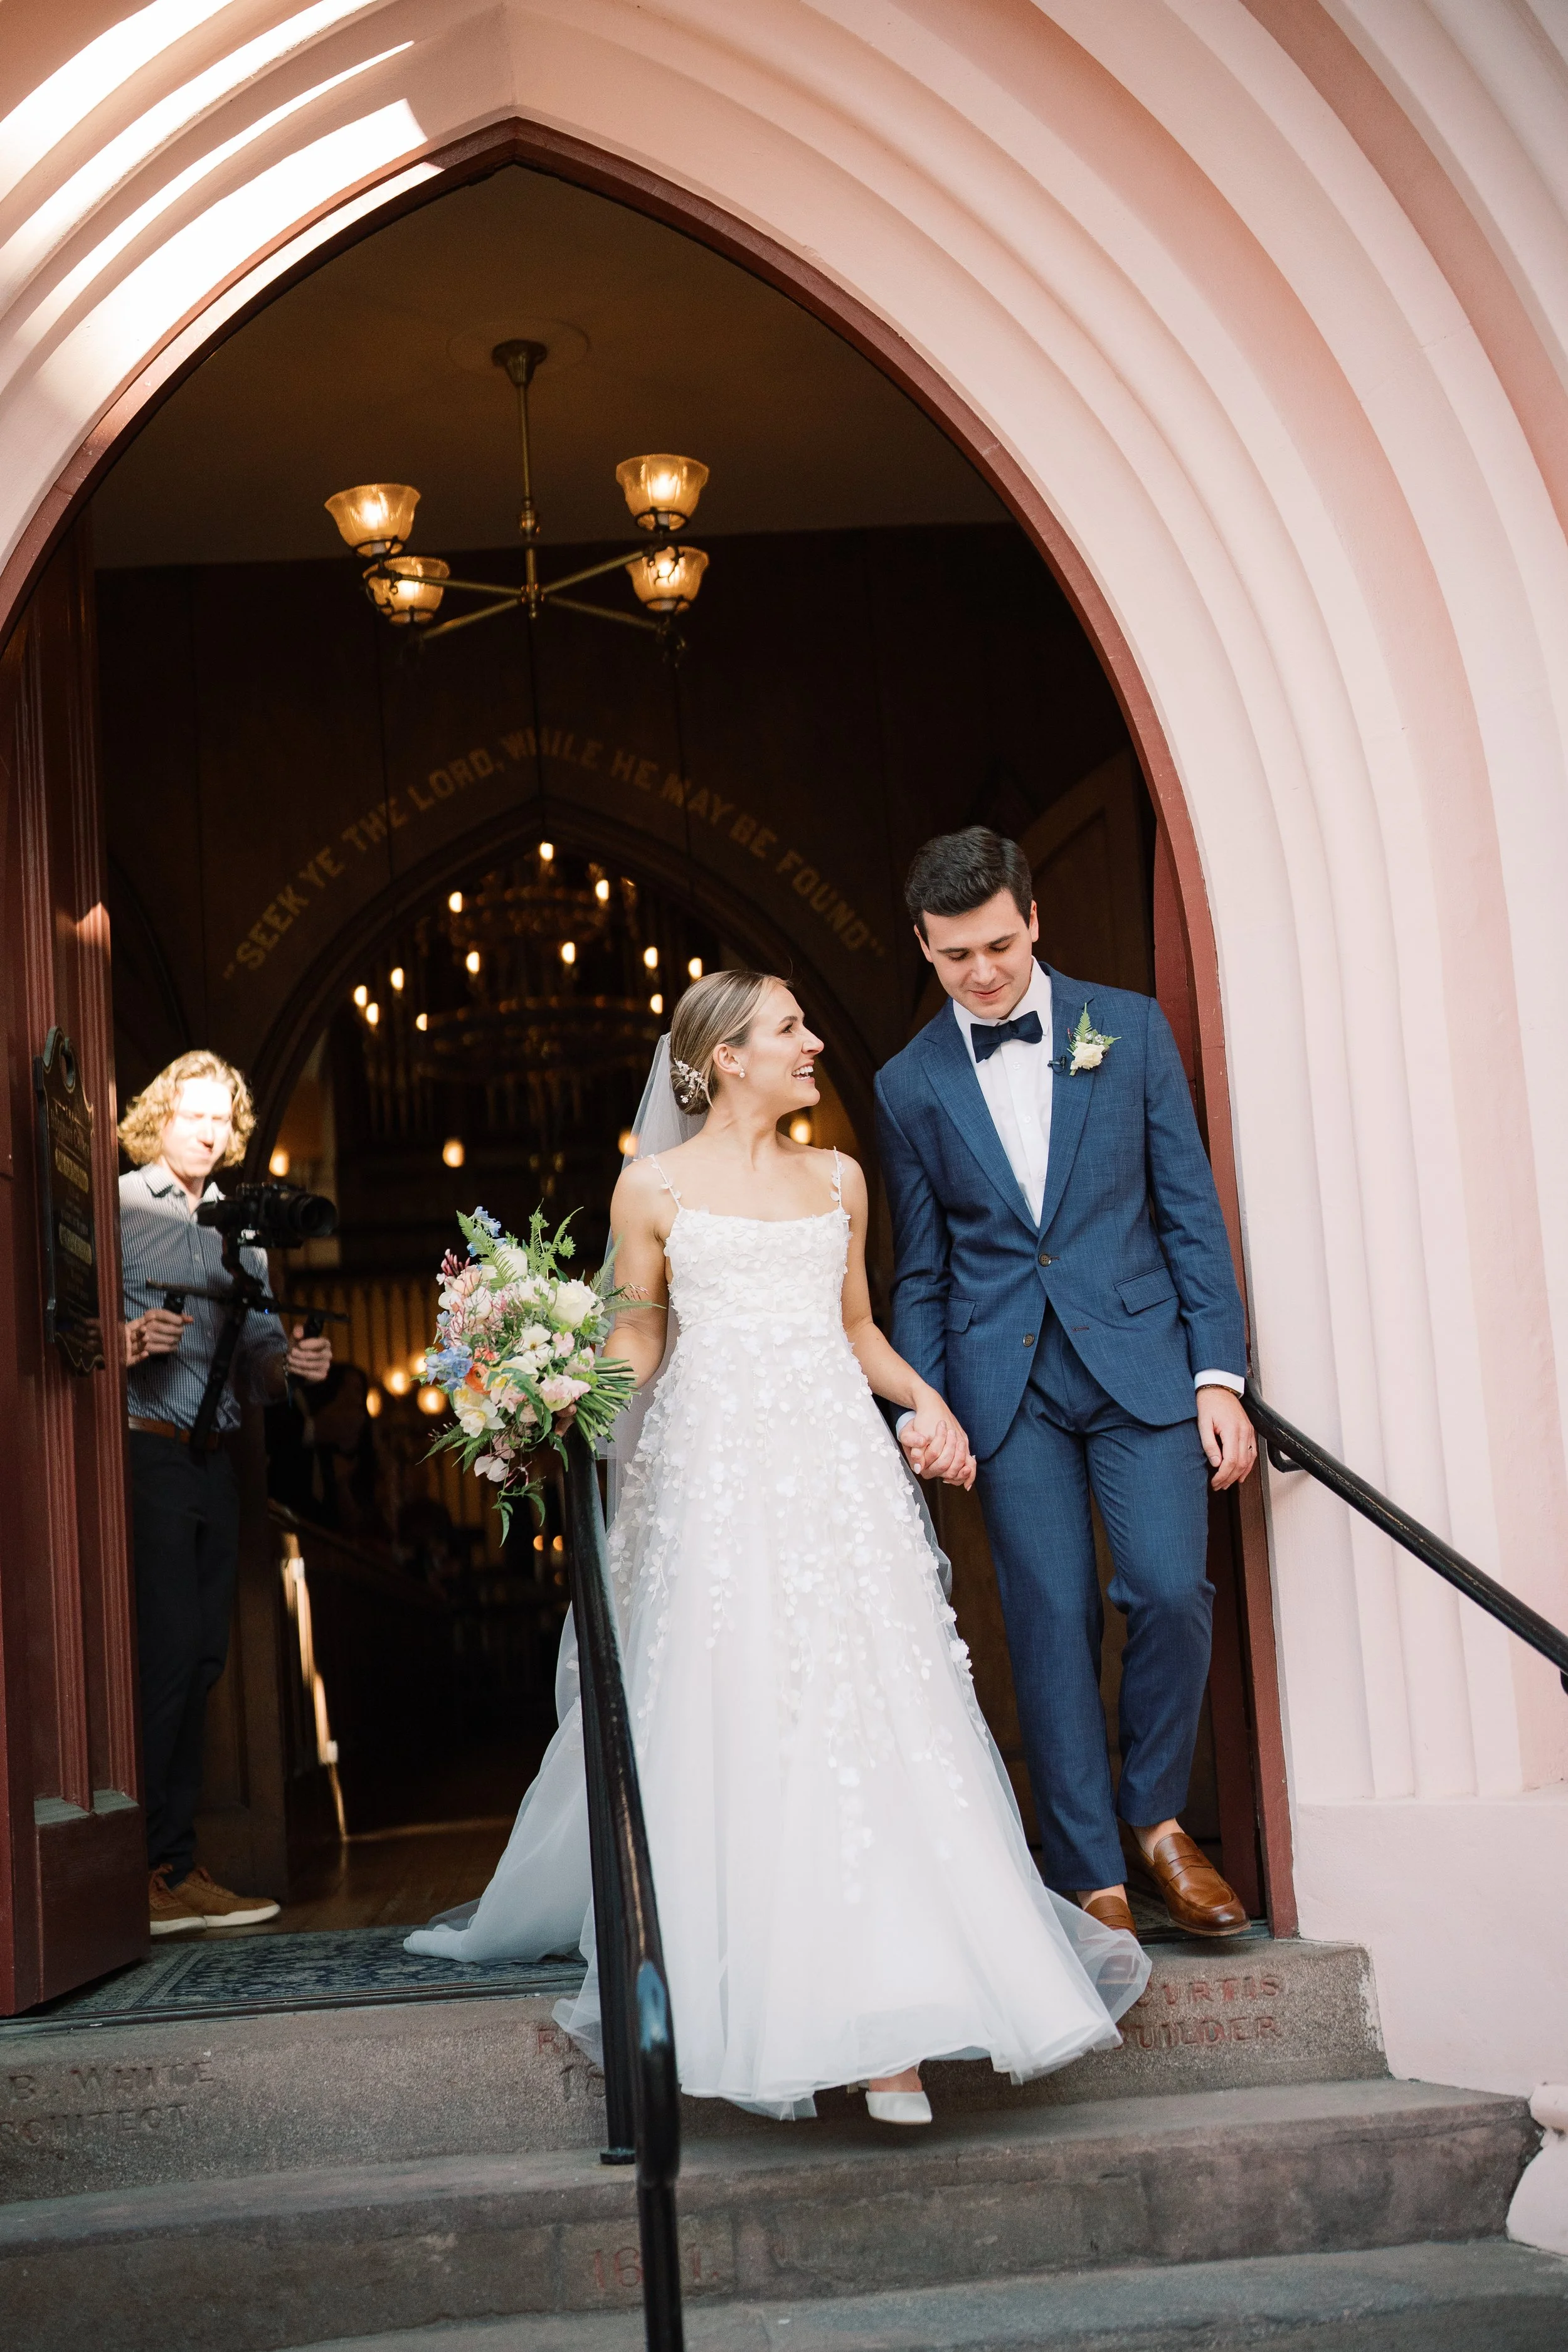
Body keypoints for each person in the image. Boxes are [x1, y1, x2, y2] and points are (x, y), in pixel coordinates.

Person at [408, 971, 1148, 2124]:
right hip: (715, 1471)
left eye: (807, 1022)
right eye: (789, 1030)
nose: (813, 1044)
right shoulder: (649, 1187)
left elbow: (856, 1328)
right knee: (748, 1720)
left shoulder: (839, 1178)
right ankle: (774, 2006)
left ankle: (896, 2030)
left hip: (834, 1473)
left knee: (870, 1716)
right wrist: (564, 1393)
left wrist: (928, 1402)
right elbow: (643, 1334)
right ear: (725, 1060)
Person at [876, 828, 1257, 1942]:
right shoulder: (909, 1085)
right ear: (925, 947)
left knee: (1170, 1592)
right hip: (1008, 1387)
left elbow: (1190, 1215)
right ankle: (1088, 1868)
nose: (982, 973)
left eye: (998, 945)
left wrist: (1219, 1375)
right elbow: (923, 1269)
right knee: (1048, 1618)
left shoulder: (1129, 1029)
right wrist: (924, 1402)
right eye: (955, 957)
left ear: (1033, 920)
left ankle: (1157, 1823)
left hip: (1144, 1370)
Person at [119, 1051, 332, 1938]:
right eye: (193, 1114)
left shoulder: (242, 1228)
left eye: (222, 1118)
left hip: (213, 1462)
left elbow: (263, 1362)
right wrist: (133, 1336)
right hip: (145, 1448)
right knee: (166, 1659)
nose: (209, 1130)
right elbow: (65, 1325)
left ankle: (174, 1863)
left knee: (204, 1658)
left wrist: (296, 1366)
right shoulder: (122, 1205)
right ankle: (147, 1871)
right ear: (159, 1116)